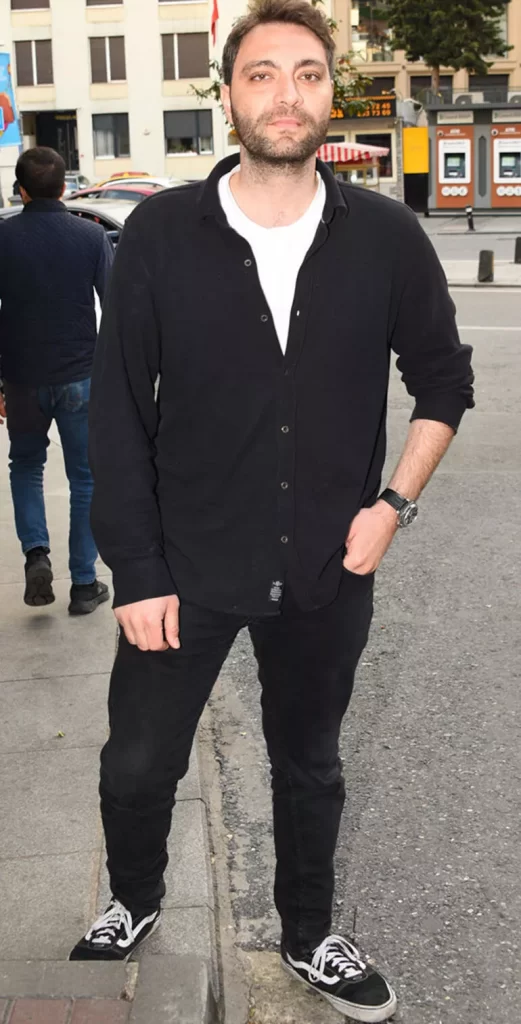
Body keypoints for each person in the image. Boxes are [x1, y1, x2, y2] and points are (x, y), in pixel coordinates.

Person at [70, 1, 474, 1019]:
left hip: (328, 566)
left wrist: (393, 505)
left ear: (330, 94)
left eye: (306, 73)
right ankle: (134, 897)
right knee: (136, 765)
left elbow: (442, 380)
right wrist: (136, 570)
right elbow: (117, 410)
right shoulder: (161, 233)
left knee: (310, 766)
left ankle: (308, 935)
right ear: (228, 96)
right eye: (261, 74)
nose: (284, 94)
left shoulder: (385, 235)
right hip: (186, 564)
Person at [0, 146, 113, 614]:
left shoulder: (3, 238)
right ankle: (84, 584)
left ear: (21, 190)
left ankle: (36, 554)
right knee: (85, 478)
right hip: (80, 374)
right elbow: (116, 307)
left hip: (22, 378)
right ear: (64, 187)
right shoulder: (91, 236)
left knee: (26, 466)